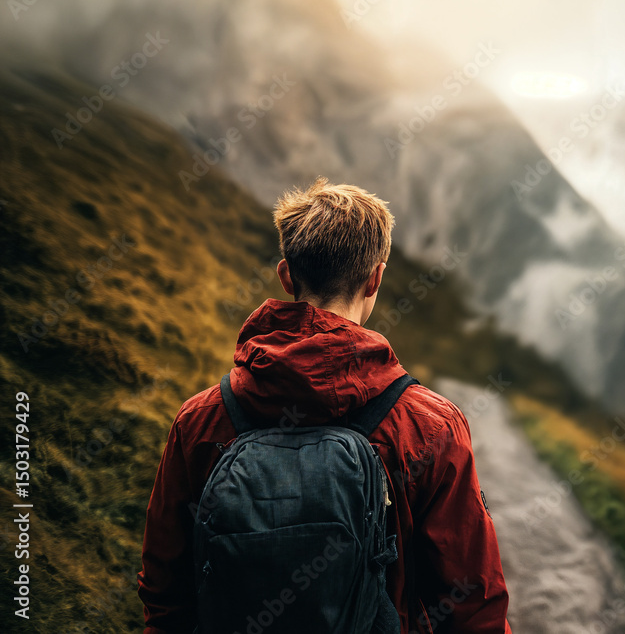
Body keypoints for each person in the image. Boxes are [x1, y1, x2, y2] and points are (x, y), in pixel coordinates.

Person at [138, 177, 512, 633]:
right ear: (375, 277)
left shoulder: (201, 419)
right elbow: (472, 604)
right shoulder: (431, 426)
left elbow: (165, 589)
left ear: (286, 274)